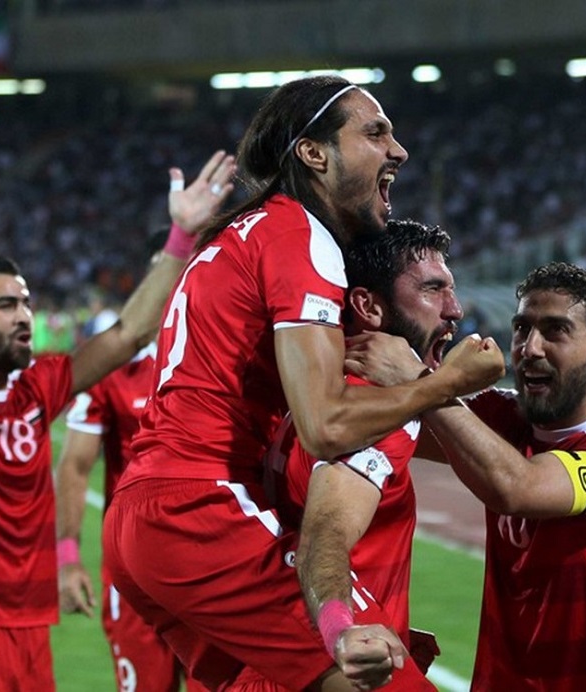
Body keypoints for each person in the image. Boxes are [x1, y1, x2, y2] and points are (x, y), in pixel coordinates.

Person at [103, 75, 505, 692]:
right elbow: (325, 425)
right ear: (314, 154)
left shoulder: (239, 235)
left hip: (145, 514)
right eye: (375, 133)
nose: (398, 151)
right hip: (201, 509)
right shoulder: (299, 236)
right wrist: (439, 384)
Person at [0, 96, 219, 690]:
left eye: (26, 303)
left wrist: (181, 238)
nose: (25, 316)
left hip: (27, 624)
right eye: (5, 304)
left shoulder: (36, 390)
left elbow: (128, 333)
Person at [348, 261, 586, 690]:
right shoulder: (502, 414)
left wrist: (423, 381)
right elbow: (379, 426)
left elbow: (518, 488)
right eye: (522, 329)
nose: (530, 348)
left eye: (555, 331)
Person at [256, 219, 462, 691]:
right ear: (368, 306)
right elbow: (324, 535)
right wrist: (342, 631)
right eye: (433, 289)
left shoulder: (313, 392)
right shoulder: (376, 404)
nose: (455, 309)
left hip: (283, 657)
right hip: (341, 663)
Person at [55, 156, 235, 692]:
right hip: (135, 571)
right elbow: (74, 467)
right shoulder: (112, 371)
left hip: (217, 564)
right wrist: (67, 557)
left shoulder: (235, 358)